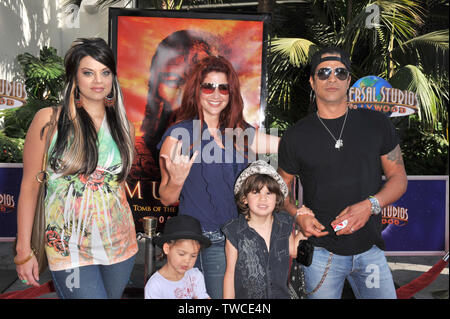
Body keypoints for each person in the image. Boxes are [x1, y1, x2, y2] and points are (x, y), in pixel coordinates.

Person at [277, 46, 408, 299]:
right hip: (321, 254)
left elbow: (398, 178)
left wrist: (370, 205)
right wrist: (296, 214)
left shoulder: (377, 124)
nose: (332, 78)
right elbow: (280, 190)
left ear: (349, 80)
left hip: (370, 249)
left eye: (340, 72)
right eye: (323, 72)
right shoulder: (295, 136)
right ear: (312, 82)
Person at [15, 38, 138, 299]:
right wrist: (23, 250)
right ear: (74, 76)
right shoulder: (50, 120)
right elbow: (29, 187)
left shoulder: (124, 126)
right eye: (88, 72)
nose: (98, 81)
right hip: (68, 246)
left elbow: (117, 188)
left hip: (120, 245)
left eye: (105, 72)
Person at [157, 55, 279, 298]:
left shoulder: (240, 132)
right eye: (208, 86)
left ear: (231, 93)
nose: (216, 94)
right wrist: (178, 179)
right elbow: (166, 198)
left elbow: (289, 146)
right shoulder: (179, 135)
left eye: (223, 87)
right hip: (206, 240)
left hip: (241, 237)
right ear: (196, 91)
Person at [222, 160, 308, 299]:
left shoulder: (284, 223)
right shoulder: (234, 231)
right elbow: (230, 274)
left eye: (269, 193)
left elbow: (293, 250)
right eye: (256, 192)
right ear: (244, 198)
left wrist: (304, 223)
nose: (263, 198)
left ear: (277, 198)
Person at [144, 214, 211, 299]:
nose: (187, 260)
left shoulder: (196, 276)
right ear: (167, 248)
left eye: (193, 255)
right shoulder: (155, 285)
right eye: (182, 254)